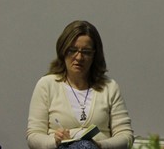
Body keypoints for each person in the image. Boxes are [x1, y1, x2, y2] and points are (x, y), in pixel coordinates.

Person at [26, 21, 133, 149]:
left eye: (86, 52)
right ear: (63, 51)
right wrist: (55, 141)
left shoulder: (109, 87)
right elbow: (33, 136)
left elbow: (125, 136)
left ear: (94, 55)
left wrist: (100, 145)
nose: (79, 57)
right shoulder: (47, 85)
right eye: (73, 51)